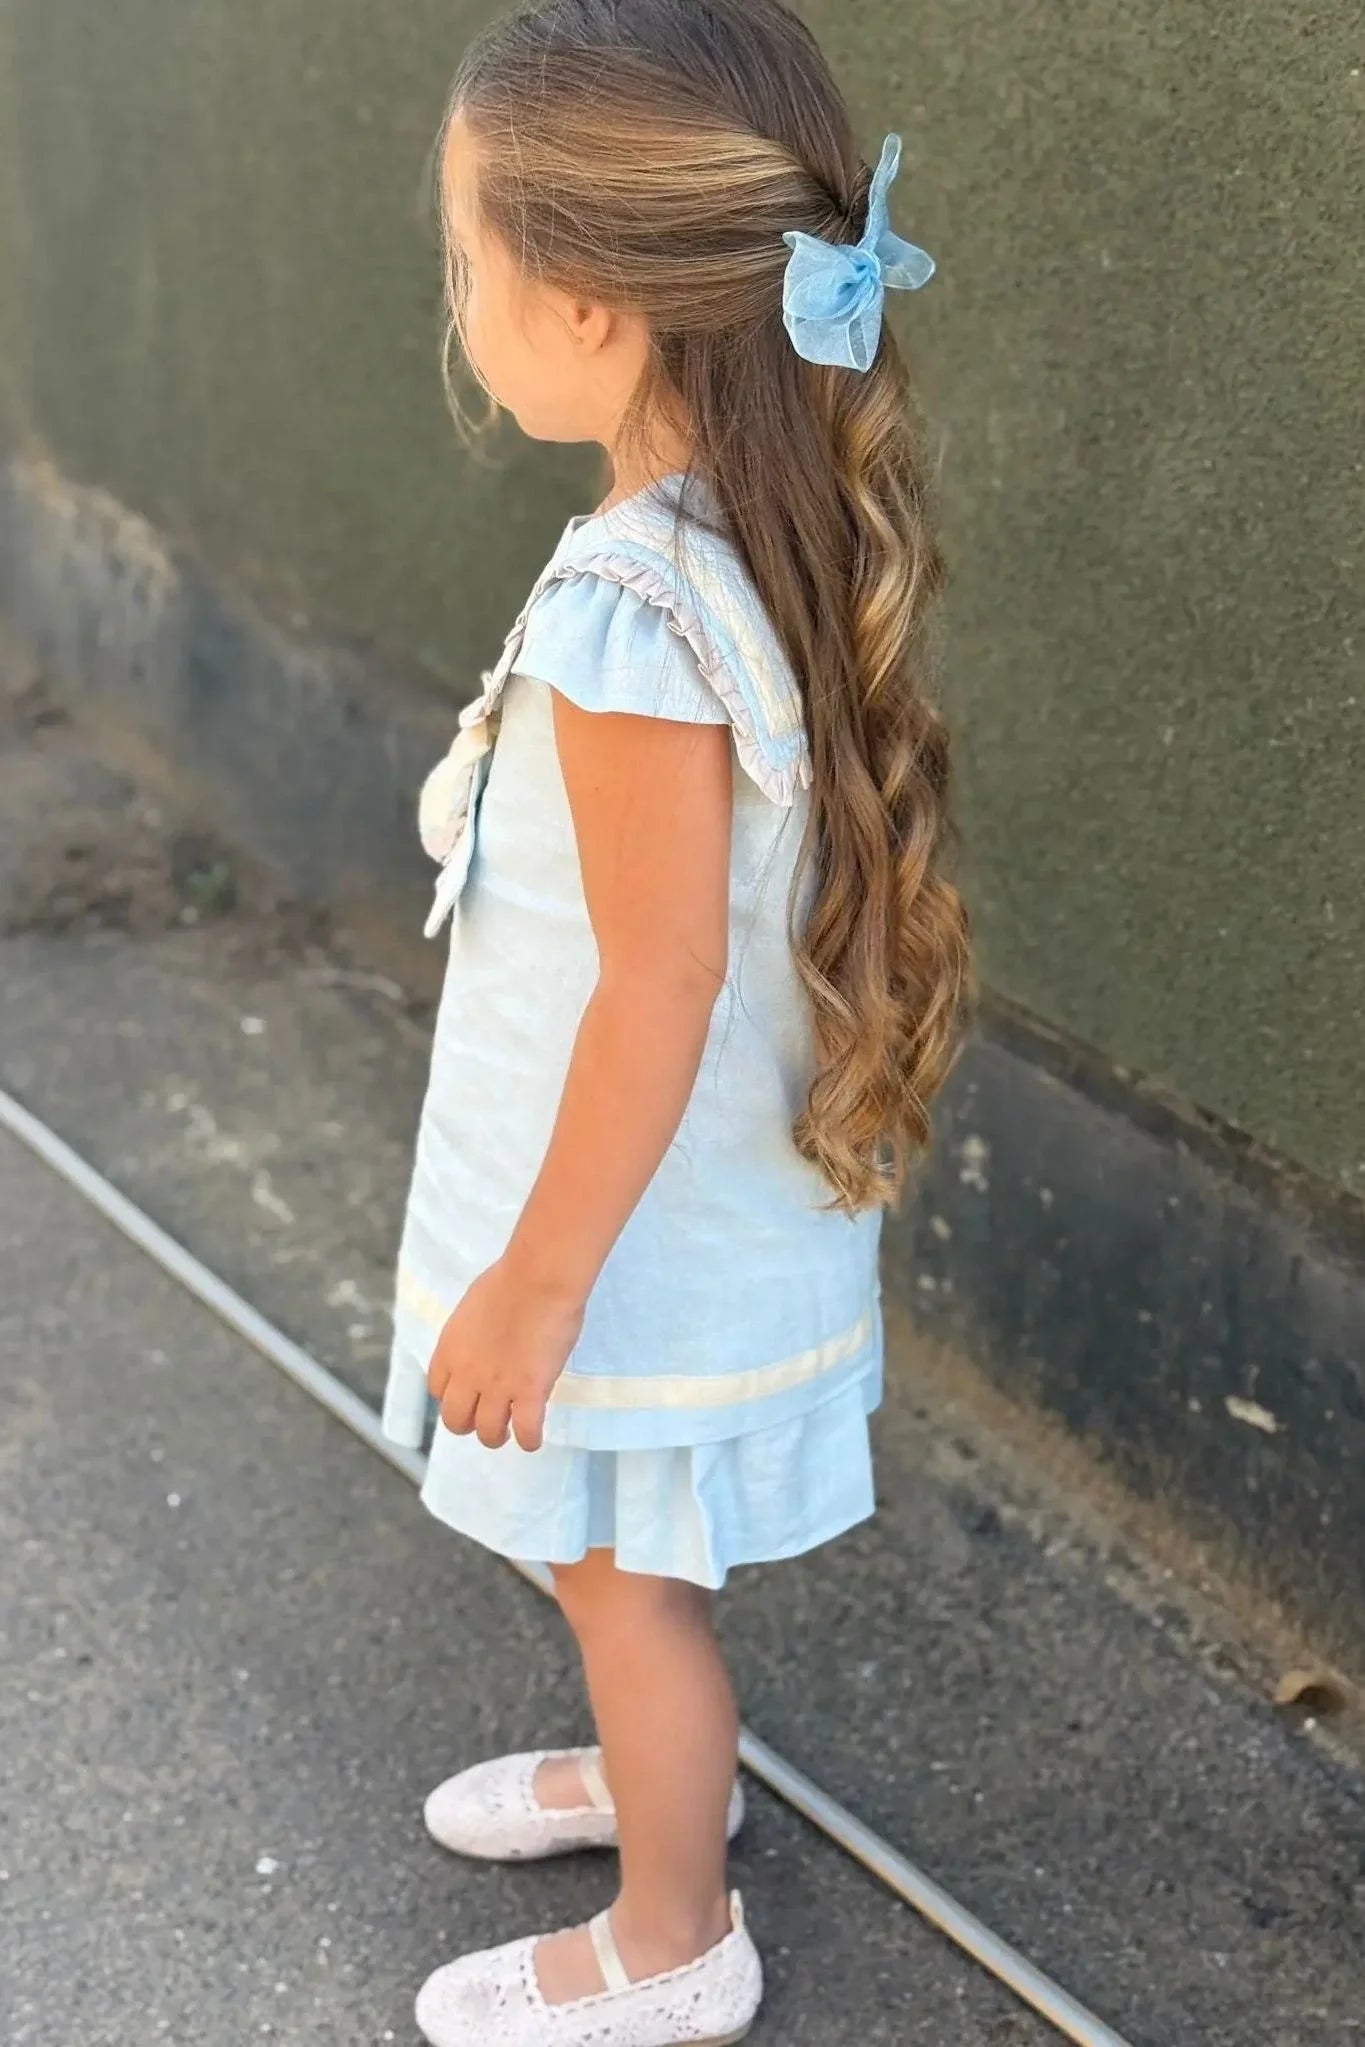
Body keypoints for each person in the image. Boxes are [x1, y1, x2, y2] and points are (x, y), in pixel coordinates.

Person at [380, 3, 970, 2040]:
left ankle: (669, 1924)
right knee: (618, 1560)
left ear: (593, 311)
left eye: (467, 261)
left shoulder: (643, 601)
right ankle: (660, 1785)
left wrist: (536, 1287)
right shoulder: (754, 518)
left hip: (616, 1232)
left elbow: (655, 978)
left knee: (623, 1580)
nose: (458, 300)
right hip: (675, 1188)